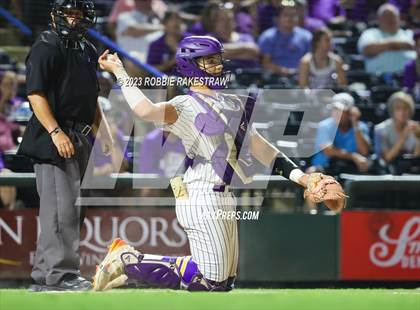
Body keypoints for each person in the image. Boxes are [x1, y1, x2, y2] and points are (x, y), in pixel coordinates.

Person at [92, 35, 345, 292]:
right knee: (211, 281)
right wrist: (120, 71)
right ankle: (129, 260)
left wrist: (303, 177)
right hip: (199, 192)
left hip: (224, 196)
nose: (217, 65)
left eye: (217, 59)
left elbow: (262, 148)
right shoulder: (185, 103)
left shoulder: (232, 102)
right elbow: (145, 110)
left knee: (222, 283)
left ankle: (134, 272)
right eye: (209, 60)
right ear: (190, 64)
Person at [17, 0, 113, 291]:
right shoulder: (46, 45)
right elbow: (35, 94)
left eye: (78, 14)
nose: (73, 20)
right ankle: (62, 276)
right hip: (55, 136)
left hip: (80, 136)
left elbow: (91, 98)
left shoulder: (87, 49)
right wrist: (56, 131)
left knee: (68, 211)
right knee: (61, 211)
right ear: (55, 16)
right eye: (68, 14)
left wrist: (104, 134)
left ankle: (45, 276)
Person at [311, 93, 371, 174]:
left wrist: (355, 125)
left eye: (341, 110)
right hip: (326, 168)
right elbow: (329, 151)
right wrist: (353, 156)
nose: (336, 113)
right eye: (334, 109)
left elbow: (364, 152)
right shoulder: (324, 126)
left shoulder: (360, 127)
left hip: (351, 168)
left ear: (350, 112)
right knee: (312, 172)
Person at [357, 3, 416, 75]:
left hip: (409, 78)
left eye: (393, 16)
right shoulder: (370, 33)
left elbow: (415, 47)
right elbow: (368, 50)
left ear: (399, 18)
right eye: (386, 16)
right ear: (378, 19)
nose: (390, 19)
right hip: (379, 81)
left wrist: (385, 47)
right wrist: (400, 45)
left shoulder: (409, 34)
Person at [258, 0, 312, 76]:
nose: (290, 18)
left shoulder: (306, 37)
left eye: (293, 15)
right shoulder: (268, 37)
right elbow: (265, 63)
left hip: (301, 76)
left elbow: (311, 60)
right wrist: (285, 71)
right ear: (277, 18)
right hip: (275, 78)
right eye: (286, 15)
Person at [374, 91, 420, 173]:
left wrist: (419, 139)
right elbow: (387, 158)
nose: (402, 112)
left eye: (405, 108)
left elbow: (416, 158)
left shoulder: (416, 128)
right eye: (398, 109)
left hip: (412, 170)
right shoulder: (381, 129)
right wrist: (403, 137)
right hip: (389, 170)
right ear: (392, 111)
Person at [146, 10, 185, 75]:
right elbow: (150, 69)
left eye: (178, 19)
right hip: (163, 80)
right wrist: (170, 63)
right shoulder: (156, 45)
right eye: (172, 19)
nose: (176, 22)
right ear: (164, 23)